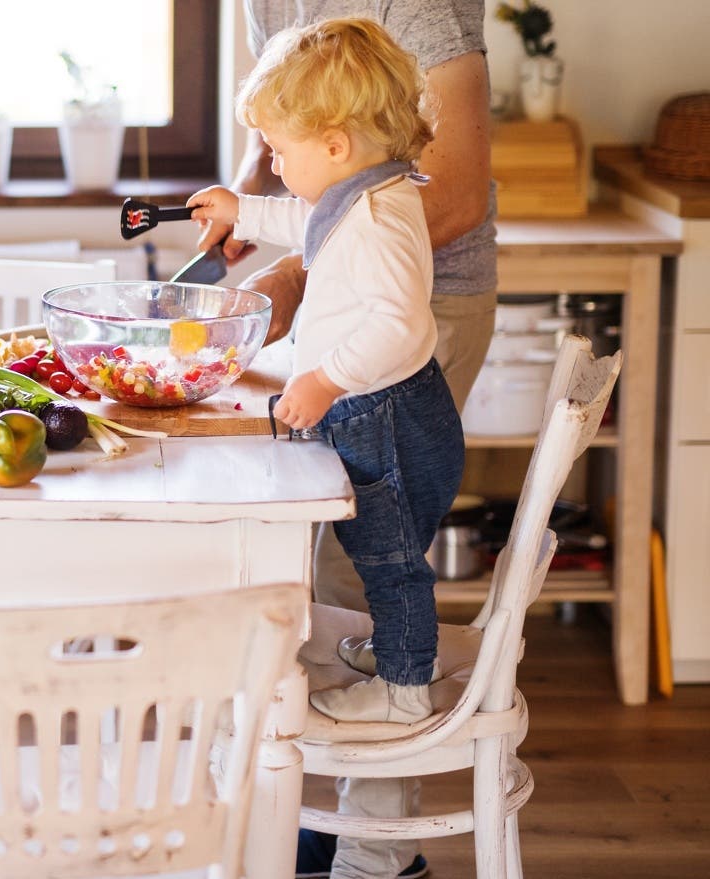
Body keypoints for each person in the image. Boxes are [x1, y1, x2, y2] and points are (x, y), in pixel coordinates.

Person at [195, 4, 498, 877]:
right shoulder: (367, 189)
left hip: (385, 420)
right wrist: (241, 203)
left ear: (333, 146)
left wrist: (323, 379)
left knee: (387, 559)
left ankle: (403, 696)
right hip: (384, 416)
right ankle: (391, 666)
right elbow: (303, 220)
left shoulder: (375, 224)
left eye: (282, 151)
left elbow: (400, 330)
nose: (278, 164)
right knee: (372, 558)